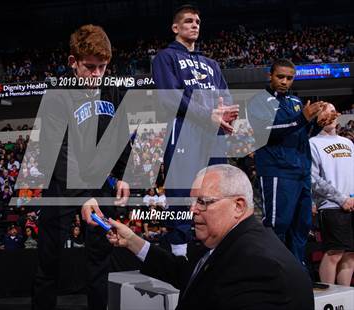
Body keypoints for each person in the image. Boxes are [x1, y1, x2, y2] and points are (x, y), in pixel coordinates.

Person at [107, 164, 314, 310]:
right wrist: (133, 241)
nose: (193, 210)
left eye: (203, 202)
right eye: (192, 202)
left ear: (238, 206)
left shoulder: (259, 267)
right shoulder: (228, 244)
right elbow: (188, 275)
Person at [31, 25, 130, 310]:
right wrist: (81, 192)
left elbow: (120, 133)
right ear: (73, 62)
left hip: (98, 181)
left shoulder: (112, 90)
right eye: (90, 67)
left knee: (100, 260)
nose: (97, 74)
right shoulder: (57, 95)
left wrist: (123, 174)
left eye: (103, 67)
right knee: (49, 262)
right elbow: (55, 151)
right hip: (61, 183)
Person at [152, 4, 239, 256]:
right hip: (183, 131)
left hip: (212, 135)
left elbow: (225, 97)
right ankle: (178, 257)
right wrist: (206, 115)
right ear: (175, 27)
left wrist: (228, 115)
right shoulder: (165, 57)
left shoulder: (211, 63)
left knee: (214, 193)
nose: (195, 25)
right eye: (189, 21)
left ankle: (212, 254)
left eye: (198, 21)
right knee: (181, 194)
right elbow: (170, 98)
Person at [247, 58, 338, 265]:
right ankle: (273, 272)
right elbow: (265, 132)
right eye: (280, 76)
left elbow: (301, 133)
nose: (285, 81)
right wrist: (302, 118)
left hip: (301, 171)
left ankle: (297, 272)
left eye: (289, 78)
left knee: (301, 226)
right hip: (277, 170)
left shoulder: (296, 102)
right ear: (269, 76)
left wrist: (316, 125)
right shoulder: (258, 101)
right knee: (277, 224)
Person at [309, 103, 354, 286]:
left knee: (350, 256)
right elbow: (312, 178)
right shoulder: (312, 143)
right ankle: (328, 298)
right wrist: (341, 198)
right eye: (325, 111)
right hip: (332, 206)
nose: (331, 114)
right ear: (317, 118)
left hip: (352, 203)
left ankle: (345, 299)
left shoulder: (348, 143)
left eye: (333, 110)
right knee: (334, 253)